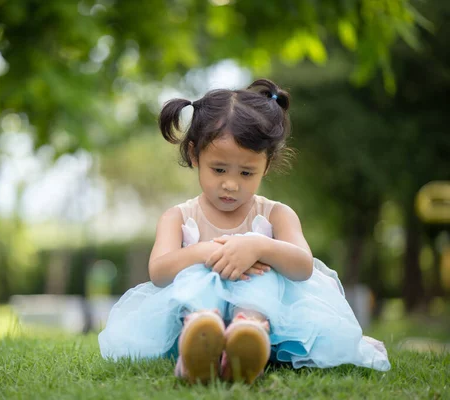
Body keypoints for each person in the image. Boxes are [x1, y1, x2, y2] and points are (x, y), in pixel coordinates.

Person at [98, 79, 390, 384]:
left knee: (263, 278)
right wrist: (205, 252)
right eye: (219, 170)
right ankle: (199, 344)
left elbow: (303, 266)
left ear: (267, 165)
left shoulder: (276, 214)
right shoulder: (178, 217)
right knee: (200, 280)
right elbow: (158, 271)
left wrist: (260, 247)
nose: (231, 184)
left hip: (264, 316)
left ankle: (248, 338)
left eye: (247, 173)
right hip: (195, 315)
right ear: (196, 155)